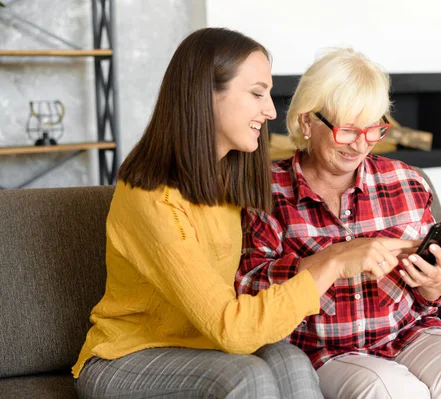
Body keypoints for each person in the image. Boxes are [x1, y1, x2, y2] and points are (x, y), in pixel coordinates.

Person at [72, 29, 415, 399]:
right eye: (256, 93)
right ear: (206, 95)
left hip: (203, 344)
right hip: (126, 358)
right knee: (247, 377)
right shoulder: (152, 198)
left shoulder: (232, 177)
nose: (270, 110)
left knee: (291, 359)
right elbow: (229, 328)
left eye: (268, 94)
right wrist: (328, 265)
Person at [236, 48, 441, 399]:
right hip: (328, 350)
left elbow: (439, 294)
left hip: (410, 331)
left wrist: (436, 281)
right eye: (347, 130)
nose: (361, 145)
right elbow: (249, 291)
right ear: (306, 122)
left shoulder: (407, 181)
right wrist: (334, 259)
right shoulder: (265, 193)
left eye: (373, 129)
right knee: (389, 390)